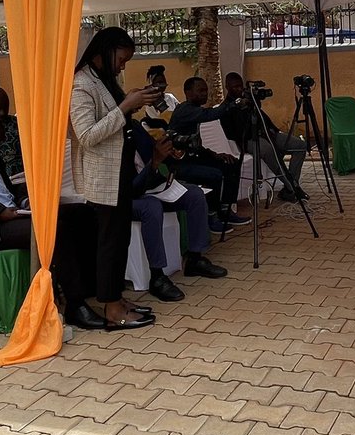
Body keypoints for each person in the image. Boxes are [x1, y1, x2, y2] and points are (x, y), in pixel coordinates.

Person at [71, 28, 206, 328]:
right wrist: (125, 107)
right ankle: (110, 308)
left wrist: (133, 104)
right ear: (105, 50)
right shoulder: (81, 84)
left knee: (119, 240)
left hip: (120, 173)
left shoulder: (104, 80)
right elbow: (87, 135)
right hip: (102, 178)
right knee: (109, 243)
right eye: (121, 59)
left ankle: (116, 299)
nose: (122, 66)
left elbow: (117, 123)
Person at [0, 115, 105, 330]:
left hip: (13, 215)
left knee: (82, 213)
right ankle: (75, 305)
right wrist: (1, 212)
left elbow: (7, 190)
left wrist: (26, 201)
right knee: (55, 229)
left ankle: (89, 285)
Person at [129, 119, 228, 302]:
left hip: (150, 187)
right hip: (126, 197)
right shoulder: (109, 139)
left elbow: (154, 151)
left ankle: (194, 258)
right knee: (151, 207)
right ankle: (157, 276)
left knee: (194, 195)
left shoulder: (133, 126)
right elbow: (130, 189)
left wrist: (172, 152)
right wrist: (155, 163)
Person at [168, 76, 251, 232]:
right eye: (200, 90)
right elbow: (211, 114)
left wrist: (215, 154)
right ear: (187, 92)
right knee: (214, 175)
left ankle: (226, 211)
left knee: (231, 164)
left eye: (205, 90)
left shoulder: (194, 109)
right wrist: (233, 102)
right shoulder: (185, 110)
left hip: (195, 157)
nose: (204, 94)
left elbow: (196, 145)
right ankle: (211, 217)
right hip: (180, 163)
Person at [222, 71, 308, 203]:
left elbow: (262, 117)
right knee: (268, 150)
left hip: (268, 133)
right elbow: (233, 133)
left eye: (240, 86)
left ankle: (291, 185)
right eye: (235, 87)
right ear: (227, 87)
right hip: (248, 140)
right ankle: (293, 188)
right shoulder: (226, 107)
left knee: (300, 145)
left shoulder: (248, 98)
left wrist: (253, 103)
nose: (239, 89)